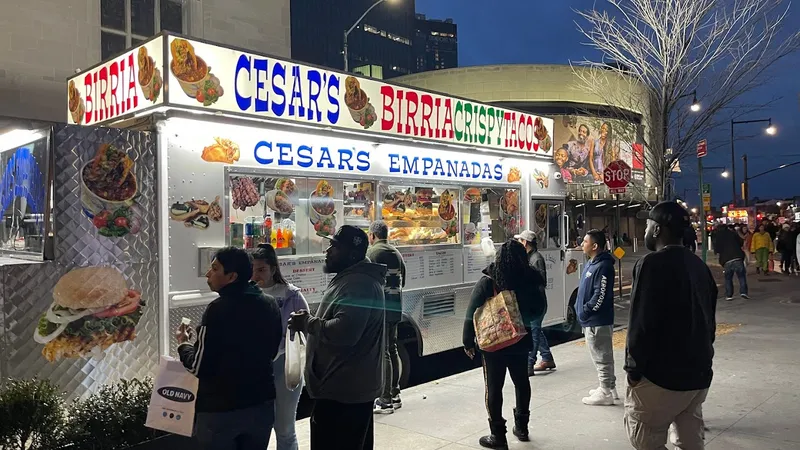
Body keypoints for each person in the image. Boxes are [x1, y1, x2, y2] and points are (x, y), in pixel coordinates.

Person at [624, 201, 718, 449]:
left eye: (647, 225)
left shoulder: (650, 264)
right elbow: (710, 324)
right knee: (691, 440)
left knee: (647, 440)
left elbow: (640, 322)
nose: (644, 230)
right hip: (698, 377)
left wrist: (633, 370)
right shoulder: (699, 266)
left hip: (661, 378)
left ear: (657, 230)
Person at [288, 226, 386, 450]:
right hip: (343, 389)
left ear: (352, 254)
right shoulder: (352, 279)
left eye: (334, 246)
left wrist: (308, 323)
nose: (328, 251)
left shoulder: (359, 284)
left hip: (345, 393)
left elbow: (346, 332)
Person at [176, 247, 282, 450]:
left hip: (220, 411)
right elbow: (272, 352)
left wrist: (184, 345)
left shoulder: (218, 309)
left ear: (232, 276)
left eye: (215, 269)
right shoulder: (269, 304)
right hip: (261, 406)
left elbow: (200, 366)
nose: (208, 274)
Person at [463, 240, 547, 448]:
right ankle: (522, 427)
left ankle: (498, 436)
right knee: (521, 382)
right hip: (521, 340)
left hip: (494, 344)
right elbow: (539, 310)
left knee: (494, 387)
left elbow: (470, 311)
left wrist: (468, 340)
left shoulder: (489, 281)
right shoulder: (531, 279)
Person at [251, 244, 309, 450]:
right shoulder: (247, 295)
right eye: (252, 269)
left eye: (261, 269)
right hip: (256, 368)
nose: (256, 275)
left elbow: (307, 330)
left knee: (284, 427)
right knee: (258, 427)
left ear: (273, 269)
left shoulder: (291, 295)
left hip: (286, 364)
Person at [367, 220, 407, 414]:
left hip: (380, 309)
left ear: (372, 235)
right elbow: (403, 281)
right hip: (395, 306)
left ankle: (385, 400)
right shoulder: (396, 253)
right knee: (392, 348)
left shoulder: (372, 253)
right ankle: (395, 393)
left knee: (383, 351)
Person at [576, 229, 617, 406]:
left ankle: (605, 391)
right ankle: (608, 386)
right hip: (592, 320)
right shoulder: (593, 263)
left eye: (585, 242)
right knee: (600, 355)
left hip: (597, 320)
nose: (582, 244)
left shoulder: (603, 266)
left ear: (594, 246)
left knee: (602, 357)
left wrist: (586, 310)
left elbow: (600, 295)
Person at [514, 230, 556, 375]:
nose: (519, 243)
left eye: (520, 241)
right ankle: (547, 358)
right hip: (533, 303)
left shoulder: (536, 259)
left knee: (534, 333)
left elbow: (541, 282)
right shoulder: (529, 257)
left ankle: (529, 364)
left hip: (536, 304)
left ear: (525, 242)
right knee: (536, 331)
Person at [712, 224, 749, 301]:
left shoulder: (718, 236)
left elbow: (717, 249)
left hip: (726, 260)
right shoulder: (733, 233)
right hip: (737, 257)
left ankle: (729, 295)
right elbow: (740, 243)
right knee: (741, 276)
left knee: (728, 278)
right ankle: (743, 292)